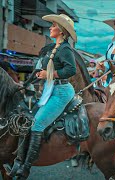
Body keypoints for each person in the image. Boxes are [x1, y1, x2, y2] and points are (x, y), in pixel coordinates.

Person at [5, 14, 77, 179]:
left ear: (61, 30)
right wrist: (27, 82)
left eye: (53, 25)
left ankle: (26, 168)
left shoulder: (65, 49)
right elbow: (41, 71)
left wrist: (50, 74)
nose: (50, 27)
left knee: (36, 125)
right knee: (27, 120)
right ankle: (18, 161)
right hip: (51, 91)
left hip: (61, 92)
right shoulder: (54, 47)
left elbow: (71, 70)